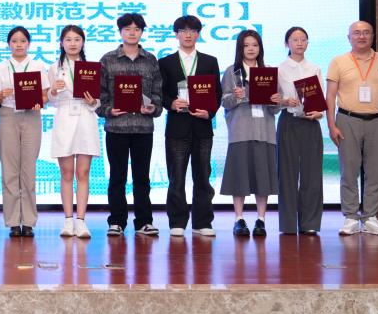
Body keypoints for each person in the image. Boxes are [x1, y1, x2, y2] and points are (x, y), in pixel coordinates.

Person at [326, 20, 378, 236]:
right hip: (347, 120)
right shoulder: (338, 61)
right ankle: (350, 216)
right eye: (356, 33)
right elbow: (330, 95)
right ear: (349, 37)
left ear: (372, 37)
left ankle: (370, 218)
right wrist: (331, 125)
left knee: (375, 171)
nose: (361, 36)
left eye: (366, 33)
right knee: (349, 170)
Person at [97, 13, 163, 237]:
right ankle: (116, 221)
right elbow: (99, 95)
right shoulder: (108, 60)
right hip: (116, 127)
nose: (132, 33)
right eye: (127, 29)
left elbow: (158, 92)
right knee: (117, 177)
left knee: (142, 177)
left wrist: (153, 107)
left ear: (142, 32)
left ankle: (144, 221)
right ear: (120, 32)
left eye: (136, 29)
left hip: (143, 128)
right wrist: (108, 110)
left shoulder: (151, 60)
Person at [158, 15, 220, 238]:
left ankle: (202, 221)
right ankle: (177, 221)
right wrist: (171, 103)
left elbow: (217, 93)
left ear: (198, 34)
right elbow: (160, 93)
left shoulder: (209, 61)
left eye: (192, 31)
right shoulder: (165, 62)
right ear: (176, 34)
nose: (188, 35)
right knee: (176, 177)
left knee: (203, 176)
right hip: (177, 126)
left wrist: (209, 112)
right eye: (183, 31)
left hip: (202, 127)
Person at [219, 29, 281, 237]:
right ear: (240, 48)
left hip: (264, 131)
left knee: (263, 178)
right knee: (240, 177)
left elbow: (276, 108)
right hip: (240, 131)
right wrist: (236, 96)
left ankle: (261, 219)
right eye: (246, 45)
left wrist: (275, 100)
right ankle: (239, 219)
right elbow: (224, 102)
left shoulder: (268, 72)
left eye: (255, 45)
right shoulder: (232, 72)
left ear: (260, 48)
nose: (251, 49)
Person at [0, 26, 49, 237]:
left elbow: (45, 96)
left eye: (23, 41)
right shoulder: (1, 67)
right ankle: (13, 222)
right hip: (8, 116)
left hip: (31, 117)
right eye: (14, 41)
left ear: (29, 44)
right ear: (9, 44)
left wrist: (39, 101)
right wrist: (1, 95)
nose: (18, 45)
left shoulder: (37, 66)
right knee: (10, 170)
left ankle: (29, 221)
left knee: (28, 171)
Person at [47, 25, 100, 238]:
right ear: (61, 43)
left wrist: (93, 101)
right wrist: (53, 90)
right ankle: (68, 221)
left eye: (77, 39)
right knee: (67, 173)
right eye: (68, 39)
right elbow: (50, 100)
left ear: (83, 42)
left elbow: (98, 100)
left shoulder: (91, 68)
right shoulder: (54, 68)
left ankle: (81, 221)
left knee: (83, 173)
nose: (72, 43)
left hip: (86, 119)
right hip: (64, 119)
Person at [276, 26, 325, 235]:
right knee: (287, 174)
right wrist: (284, 101)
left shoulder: (315, 68)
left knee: (312, 174)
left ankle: (310, 223)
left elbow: (321, 101)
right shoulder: (279, 69)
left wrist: (319, 113)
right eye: (295, 39)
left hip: (311, 124)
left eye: (303, 39)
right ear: (286, 43)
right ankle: (288, 225)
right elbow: (273, 102)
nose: (299, 43)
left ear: (307, 43)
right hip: (289, 122)